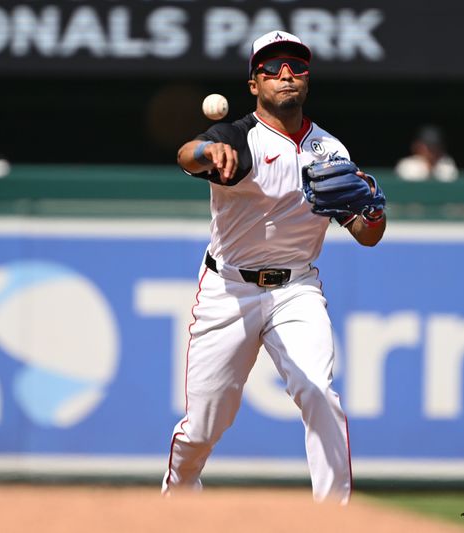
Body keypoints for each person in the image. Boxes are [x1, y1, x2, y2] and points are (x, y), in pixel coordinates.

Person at [164, 30, 386, 504]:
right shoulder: (235, 137)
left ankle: (333, 517)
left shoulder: (331, 150)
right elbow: (187, 154)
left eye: (296, 65)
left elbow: (368, 236)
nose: (286, 73)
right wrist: (208, 152)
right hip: (229, 291)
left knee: (318, 392)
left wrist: (372, 209)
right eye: (271, 66)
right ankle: (176, 499)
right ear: (253, 84)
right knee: (204, 426)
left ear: (307, 78)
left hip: (296, 289)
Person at [394, 124, 458, 182]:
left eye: (436, 145)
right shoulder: (406, 164)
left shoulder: (446, 163)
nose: (433, 150)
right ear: (417, 146)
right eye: (428, 146)